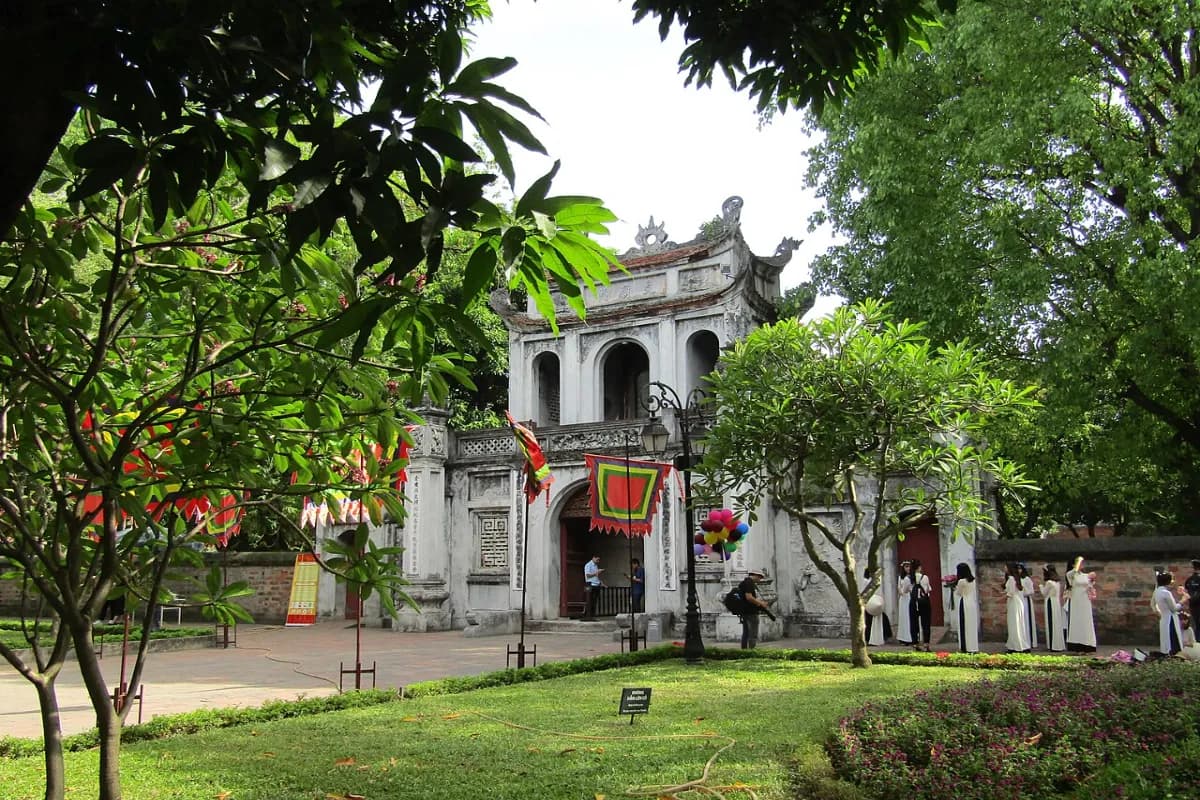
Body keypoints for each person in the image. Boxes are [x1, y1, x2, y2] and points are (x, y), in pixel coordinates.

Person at [1064, 556, 1098, 653]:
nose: (1081, 565)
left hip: (1085, 601)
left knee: (1086, 622)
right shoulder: (1071, 575)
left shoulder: (1084, 575)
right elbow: (1072, 573)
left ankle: (1088, 645)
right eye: (1079, 563)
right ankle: (1077, 646)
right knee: (1077, 622)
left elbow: (1089, 585)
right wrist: (1077, 562)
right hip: (1076, 601)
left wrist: (1091, 580)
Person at [737, 568, 774, 649]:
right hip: (751, 612)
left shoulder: (744, 582)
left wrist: (760, 602)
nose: (760, 580)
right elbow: (749, 597)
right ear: (756, 575)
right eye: (760, 577)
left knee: (746, 633)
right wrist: (760, 603)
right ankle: (751, 651)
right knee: (753, 633)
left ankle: (744, 651)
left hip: (745, 611)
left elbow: (749, 597)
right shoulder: (749, 583)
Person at [1153, 571, 1185, 656]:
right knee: (1173, 641)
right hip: (1171, 619)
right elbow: (1174, 608)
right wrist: (1182, 601)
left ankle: (1166, 654)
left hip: (1163, 618)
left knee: (1165, 640)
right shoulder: (1166, 593)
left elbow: (1153, 604)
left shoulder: (1157, 591)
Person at [1004, 563, 1030, 653]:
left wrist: (1004, 594)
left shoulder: (1011, 579)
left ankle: (1017, 646)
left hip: (1013, 602)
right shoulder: (1016, 577)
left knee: (1014, 624)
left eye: (1006, 566)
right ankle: (1015, 644)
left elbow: (1010, 593)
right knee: (1018, 624)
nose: (1004, 568)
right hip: (1018, 601)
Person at [953, 562, 979, 653]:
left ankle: (965, 646)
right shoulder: (973, 580)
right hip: (972, 603)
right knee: (971, 625)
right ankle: (973, 646)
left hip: (964, 602)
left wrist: (955, 587)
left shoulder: (961, 581)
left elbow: (958, 593)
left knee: (964, 625)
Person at [1040, 564, 1066, 652]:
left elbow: (1044, 593)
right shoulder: (1057, 582)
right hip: (1056, 603)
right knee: (1057, 623)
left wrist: (1040, 587)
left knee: (1051, 623)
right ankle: (1058, 644)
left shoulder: (1049, 583)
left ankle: (1052, 645)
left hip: (1050, 602)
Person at [908, 559, 933, 651]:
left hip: (913, 602)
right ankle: (926, 644)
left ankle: (915, 643)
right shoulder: (925, 577)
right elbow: (928, 589)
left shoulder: (908, 578)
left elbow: (905, 590)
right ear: (919, 567)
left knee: (913, 622)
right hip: (924, 602)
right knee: (926, 622)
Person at [864, 568, 891, 646]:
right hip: (870, 602)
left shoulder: (876, 581)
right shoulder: (867, 581)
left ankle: (880, 637)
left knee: (880, 619)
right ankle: (870, 638)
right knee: (870, 621)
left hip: (876, 601)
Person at [1019, 563, 1039, 650]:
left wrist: (1023, 593)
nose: (1019, 571)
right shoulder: (1016, 579)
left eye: (1020, 569)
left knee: (1027, 619)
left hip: (1026, 600)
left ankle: (1029, 640)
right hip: (1019, 600)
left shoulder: (1027, 579)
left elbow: (1031, 591)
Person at [896, 561, 914, 645]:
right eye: (906, 567)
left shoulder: (912, 577)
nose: (908, 568)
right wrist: (902, 593)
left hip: (910, 597)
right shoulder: (901, 577)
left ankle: (911, 637)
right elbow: (899, 587)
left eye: (909, 567)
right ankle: (903, 637)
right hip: (903, 598)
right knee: (903, 618)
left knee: (910, 617)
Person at [1184, 559, 1200, 642]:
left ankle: (1197, 643)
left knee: (1196, 625)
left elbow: (1187, 588)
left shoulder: (1189, 579)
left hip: (1193, 605)